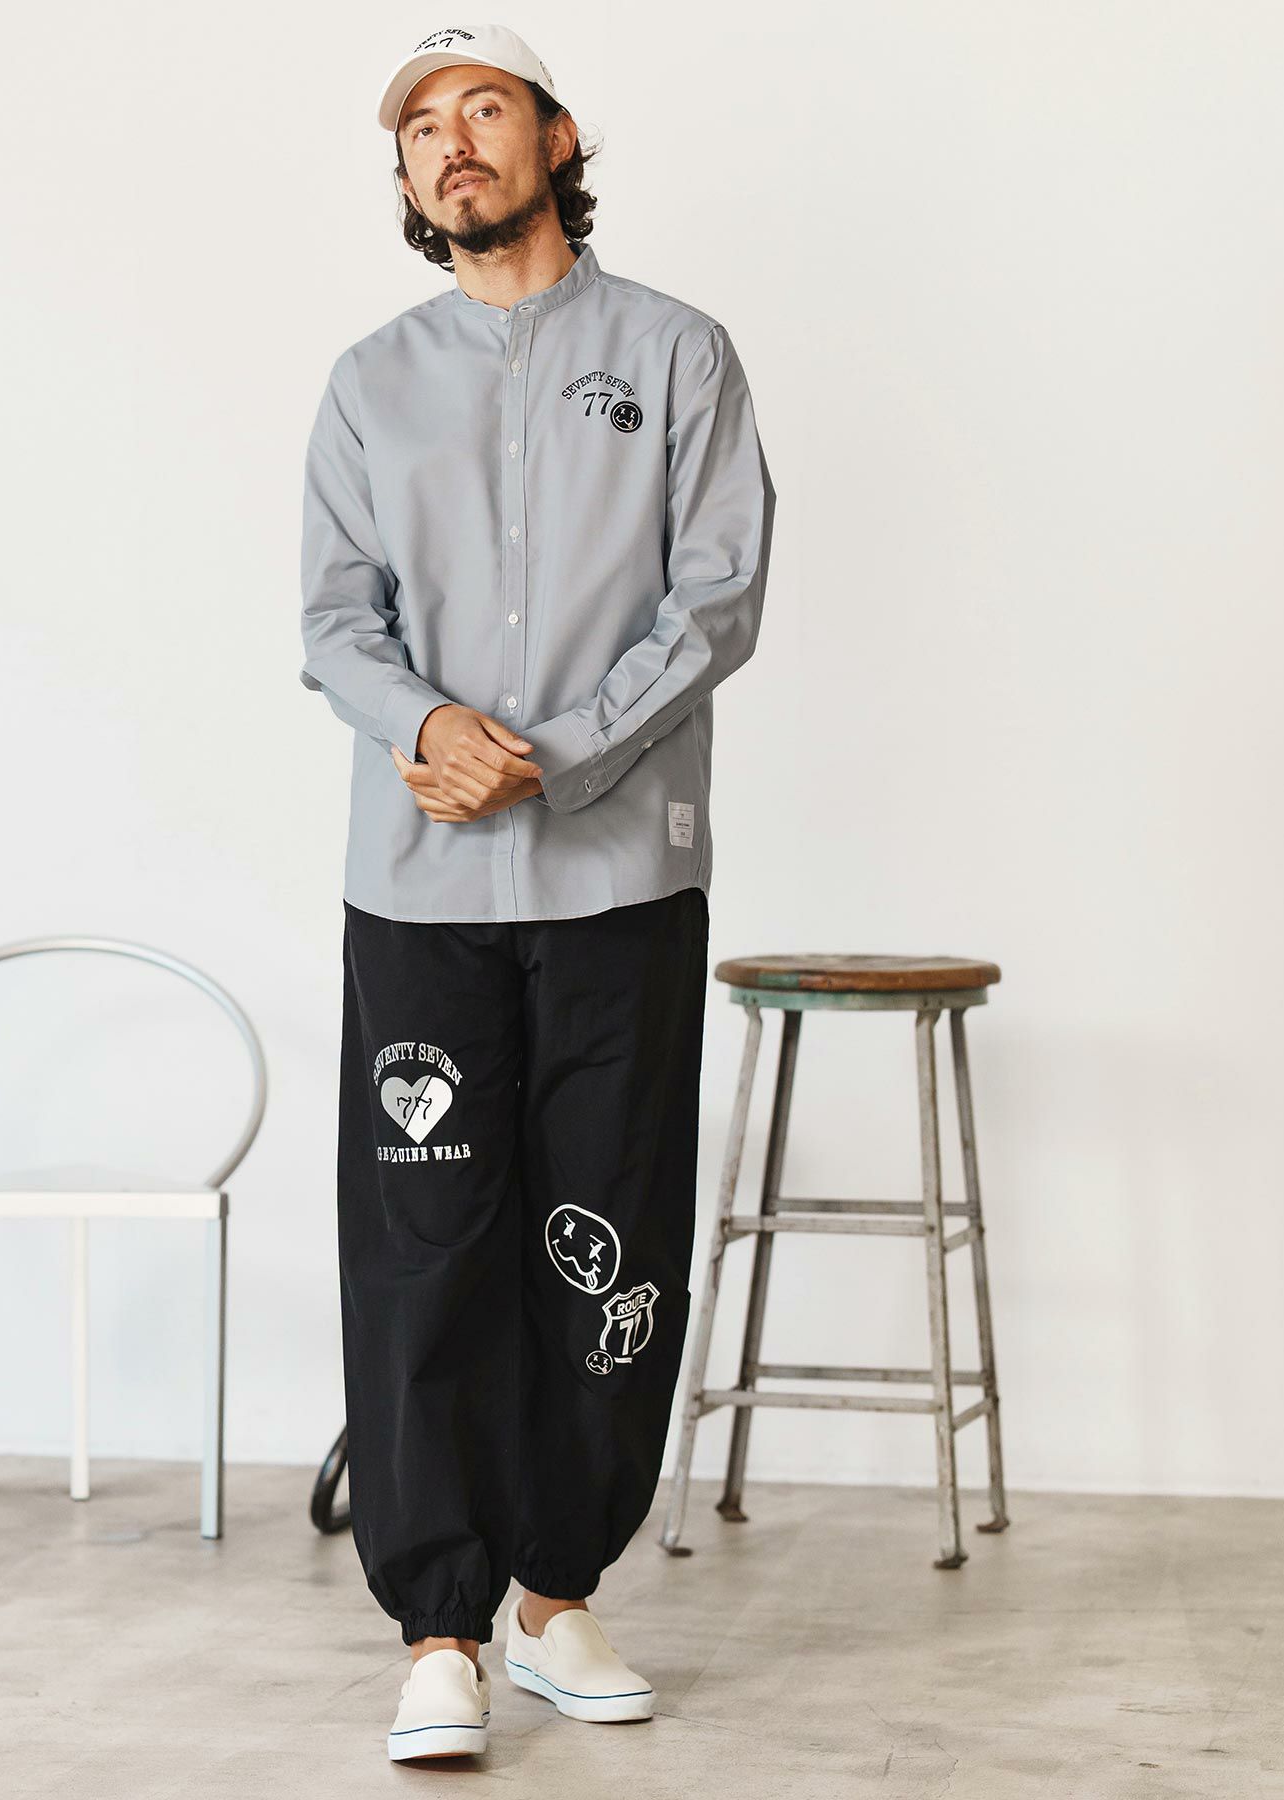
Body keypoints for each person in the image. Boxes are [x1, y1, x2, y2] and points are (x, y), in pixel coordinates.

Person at [299, 21, 777, 1764]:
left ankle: (559, 1597)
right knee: (424, 1248)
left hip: (616, 877)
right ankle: (439, 1628)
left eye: (483, 107)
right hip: (416, 884)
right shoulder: (370, 381)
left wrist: (555, 756)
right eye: (420, 125)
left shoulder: (677, 354)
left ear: (558, 138)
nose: (451, 143)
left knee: (607, 1232)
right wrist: (429, 726)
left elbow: (714, 601)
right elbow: (333, 617)